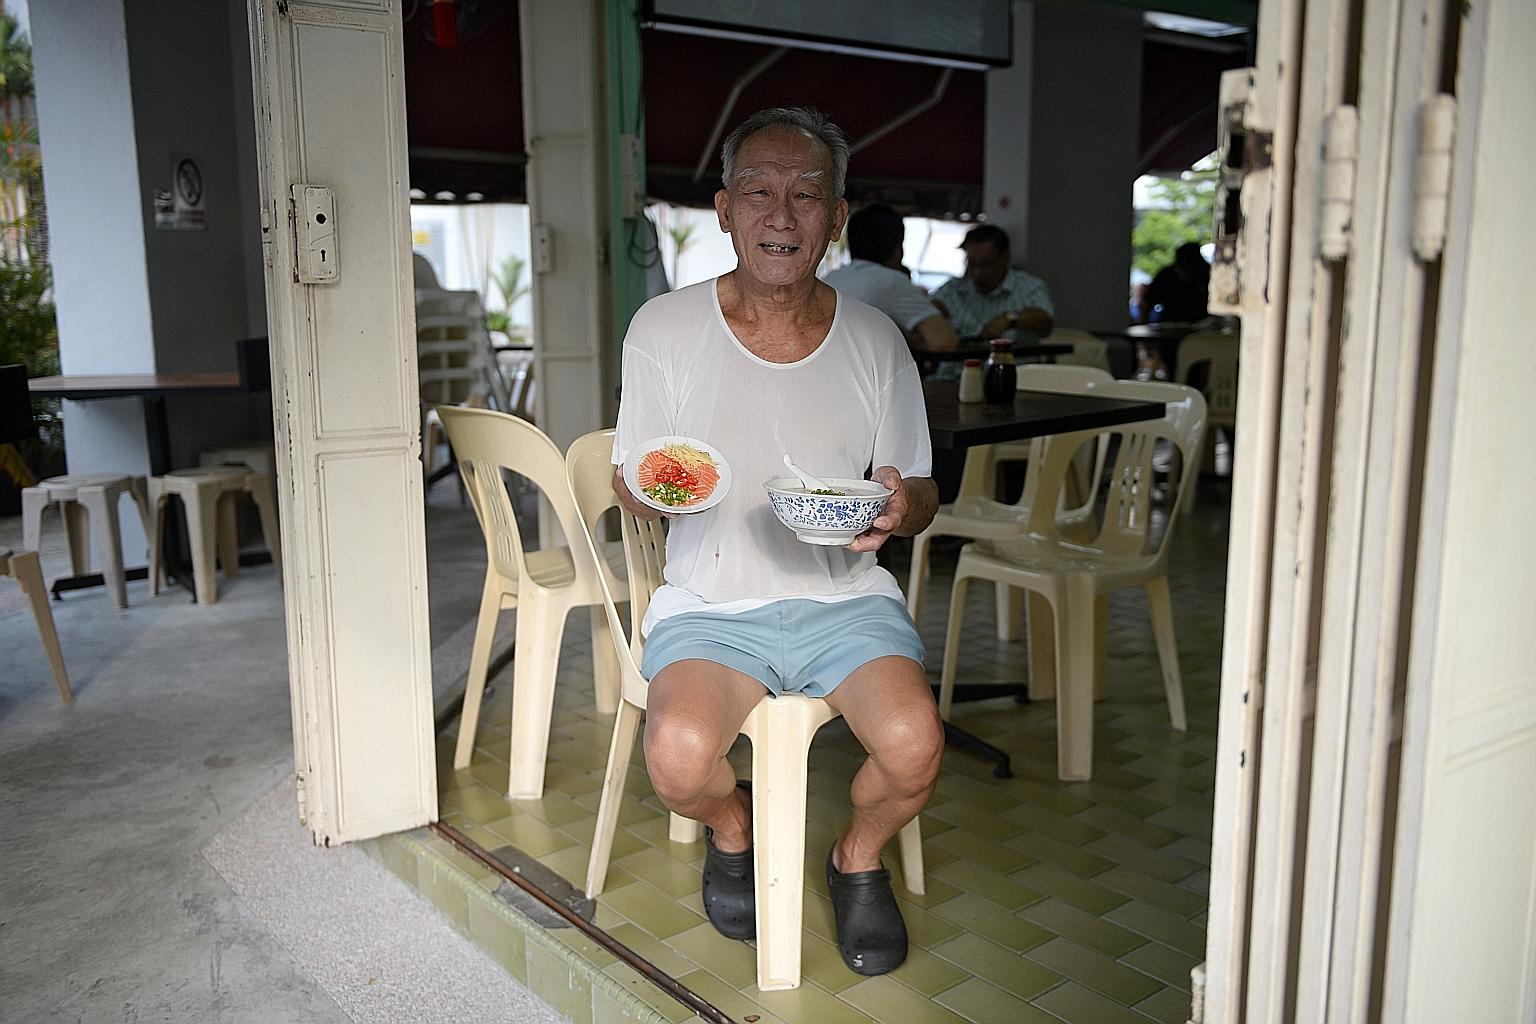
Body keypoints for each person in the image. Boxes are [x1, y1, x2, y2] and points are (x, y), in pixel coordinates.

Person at [610, 107, 944, 978]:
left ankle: (857, 856)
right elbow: (635, 473)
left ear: (837, 218)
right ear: (724, 210)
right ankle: (734, 825)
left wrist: (901, 510)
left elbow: (921, 489)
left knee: (915, 747)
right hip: (714, 603)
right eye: (758, 192)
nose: (781, 215)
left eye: (806, 196)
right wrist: (643, 489)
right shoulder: (664, 330)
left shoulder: (875, 339)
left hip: (845, 602)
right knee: (680, 763)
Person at [822, 203, 958, 352]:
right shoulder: (891, 281)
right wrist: (900, 337)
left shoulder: (831, 279)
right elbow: (944, 342)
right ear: (897, 249)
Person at [932, 223, 1054, 341]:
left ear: (1005, 257)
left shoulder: (1029, 287)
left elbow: (1045, 319)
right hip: (959, 362)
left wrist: (1011, 319)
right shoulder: (952, 289)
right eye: (972, 263)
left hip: (1013, 361)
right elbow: (925, 310)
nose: (977, 272)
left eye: (985, 265)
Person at [1141, 241, 1211, 324]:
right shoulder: (1166, 276)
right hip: (1172, 325)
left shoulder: (1206, 274)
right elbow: (1148, 301)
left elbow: (1148, 303)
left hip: (1199, 325)